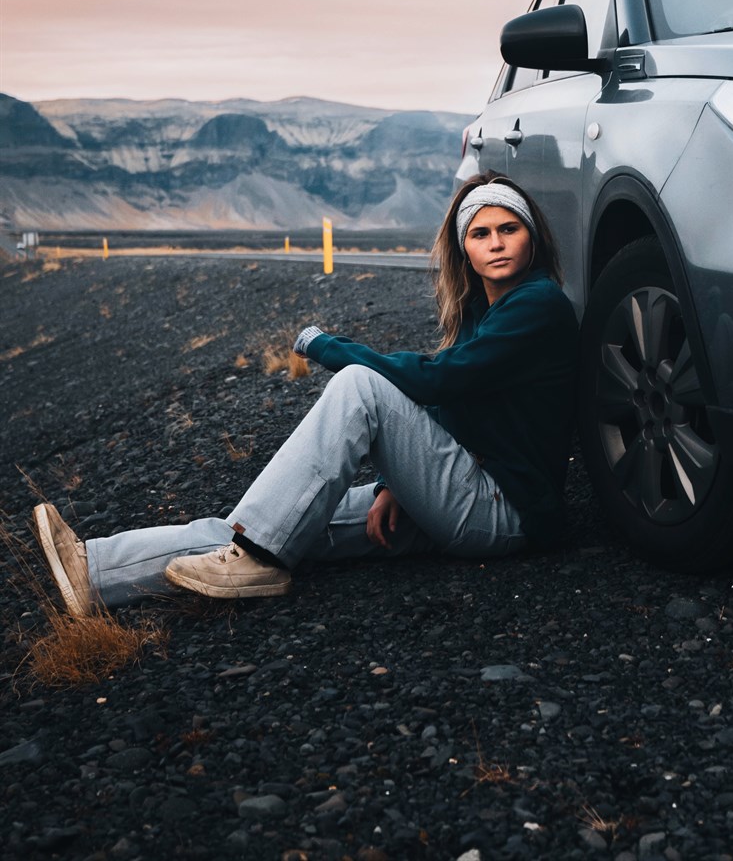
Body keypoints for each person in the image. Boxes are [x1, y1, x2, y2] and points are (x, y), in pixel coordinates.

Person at [31, 174, 579, 614]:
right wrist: (394, 482)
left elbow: (436, 382)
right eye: (480, 234)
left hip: (504, 513)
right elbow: (454, 405)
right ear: (464, 247)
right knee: (273, 520)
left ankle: (256, 558)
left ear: (532, 236)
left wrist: (325, 346)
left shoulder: (538, 304)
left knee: (360, 385)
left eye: (509, 229)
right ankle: (95, 571)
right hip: (464, 487)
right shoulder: (488, 312)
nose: (497, 243)